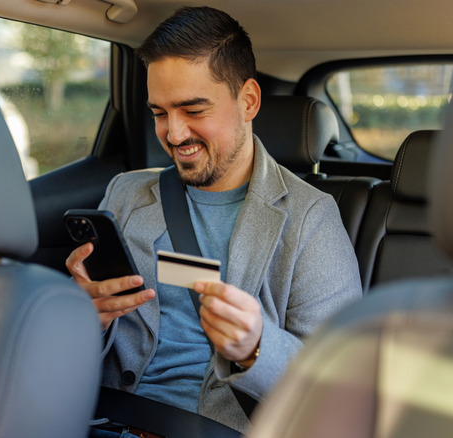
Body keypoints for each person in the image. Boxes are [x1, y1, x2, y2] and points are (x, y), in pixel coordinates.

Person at [66, 6, 362, 432]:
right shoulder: (127, 193)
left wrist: (256, 347)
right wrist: (84, 316)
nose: (174, 133)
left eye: (194, 110)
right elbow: (78, 353)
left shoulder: (309, 218)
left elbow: (339, 384)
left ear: (248, 101)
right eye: (159, 113)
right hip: (103, 418)